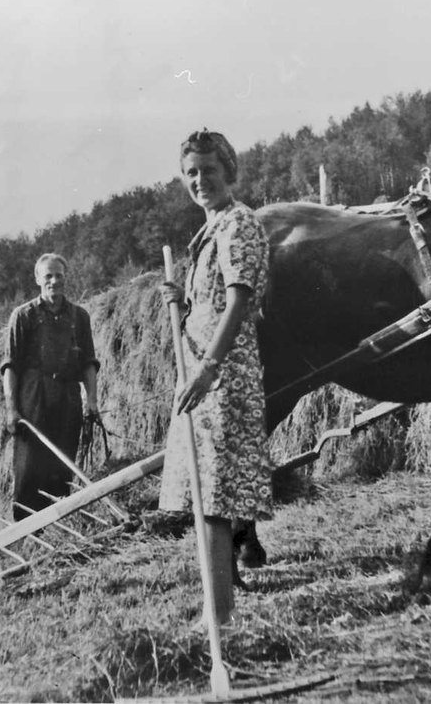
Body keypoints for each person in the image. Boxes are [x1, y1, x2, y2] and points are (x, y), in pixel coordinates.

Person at [159, 128, 274, 627]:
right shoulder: (209, 230)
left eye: (208, 170)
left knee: (215, 500)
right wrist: (178, 300)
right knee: (205, 497)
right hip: (204, 380)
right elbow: (207, 301)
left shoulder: (238, 224)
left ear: (229, 172)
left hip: (223, 379)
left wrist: (208, 367)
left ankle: (219, 614)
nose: (199, 180)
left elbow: (239, 300)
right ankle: (217, 608)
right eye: (191, 173)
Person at [1, 254, 101, 522]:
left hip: (68, 395)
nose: (54, 281)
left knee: (63, 462)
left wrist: (91, 400)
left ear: (66, 277)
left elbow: (89, 363)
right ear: (37, 280)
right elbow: (10, 366)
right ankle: (27, 530)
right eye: (48, 276)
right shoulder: (23, 316)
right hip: (33, 395)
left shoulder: (79, 316)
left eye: (59, 275)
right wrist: (12, 408)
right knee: (30, 465)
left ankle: (59, 526)